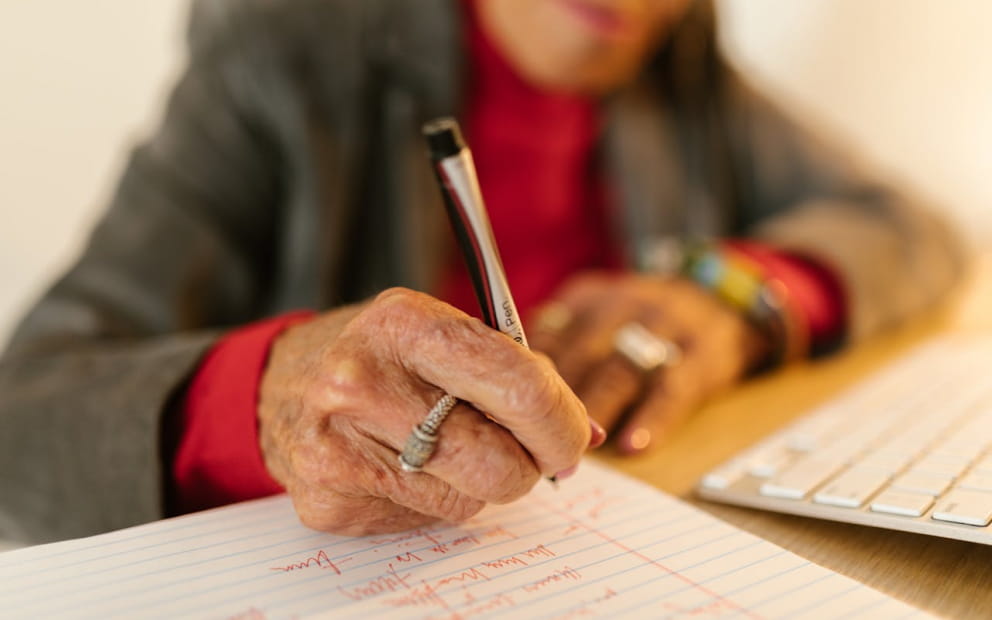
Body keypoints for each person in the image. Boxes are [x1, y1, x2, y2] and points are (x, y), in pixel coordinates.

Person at [0, 0, 965, 543]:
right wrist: (274, 397)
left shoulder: (679, 62)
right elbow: (26, 408)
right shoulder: (285, 45)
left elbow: (911, 224)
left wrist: (734, 296)